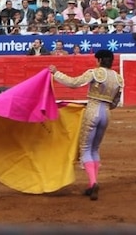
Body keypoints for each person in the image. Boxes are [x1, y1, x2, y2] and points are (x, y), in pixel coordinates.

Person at [49, 49, 123, 201]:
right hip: (106, 114)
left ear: (100, 60)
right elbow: (115, 102)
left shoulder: (94, 73)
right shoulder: (118, 78)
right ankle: (92, 184)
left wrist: (56, 73)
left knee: (86, 149)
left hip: (92, 111)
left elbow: (74, 83)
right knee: (95, 148)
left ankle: (93, 182)